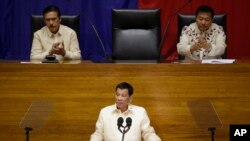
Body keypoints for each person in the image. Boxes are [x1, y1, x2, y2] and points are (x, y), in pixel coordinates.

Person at [90, 82, 161, 141]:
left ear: (130, 98)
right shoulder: (105, 112)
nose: (119, 98)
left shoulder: (140, 112)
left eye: (123, 95)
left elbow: (148, 133)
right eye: (117, 95)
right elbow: (99, 133)